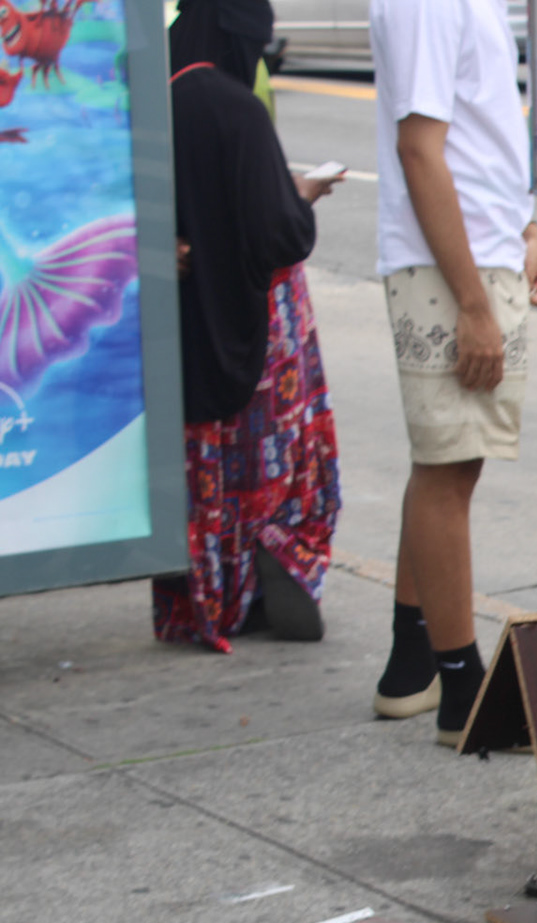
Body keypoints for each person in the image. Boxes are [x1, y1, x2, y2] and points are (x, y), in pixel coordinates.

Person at [368, 0, 537, 746]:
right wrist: (472, 302)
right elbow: (419, 149)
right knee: (447, 469)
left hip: (477, 253)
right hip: (448, 268)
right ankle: (462, 689)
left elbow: (476, 130)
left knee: (449, 465)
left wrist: (522, 224)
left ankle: (412, 665)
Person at [155, 0, 343, 652]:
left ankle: (202, 599)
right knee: (273, 467)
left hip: (182, 329)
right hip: (261, 329)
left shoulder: (149, 100)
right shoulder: (239, 110)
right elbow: (279, 233)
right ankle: (275, 563)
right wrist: (302, 196)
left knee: (200, 470)